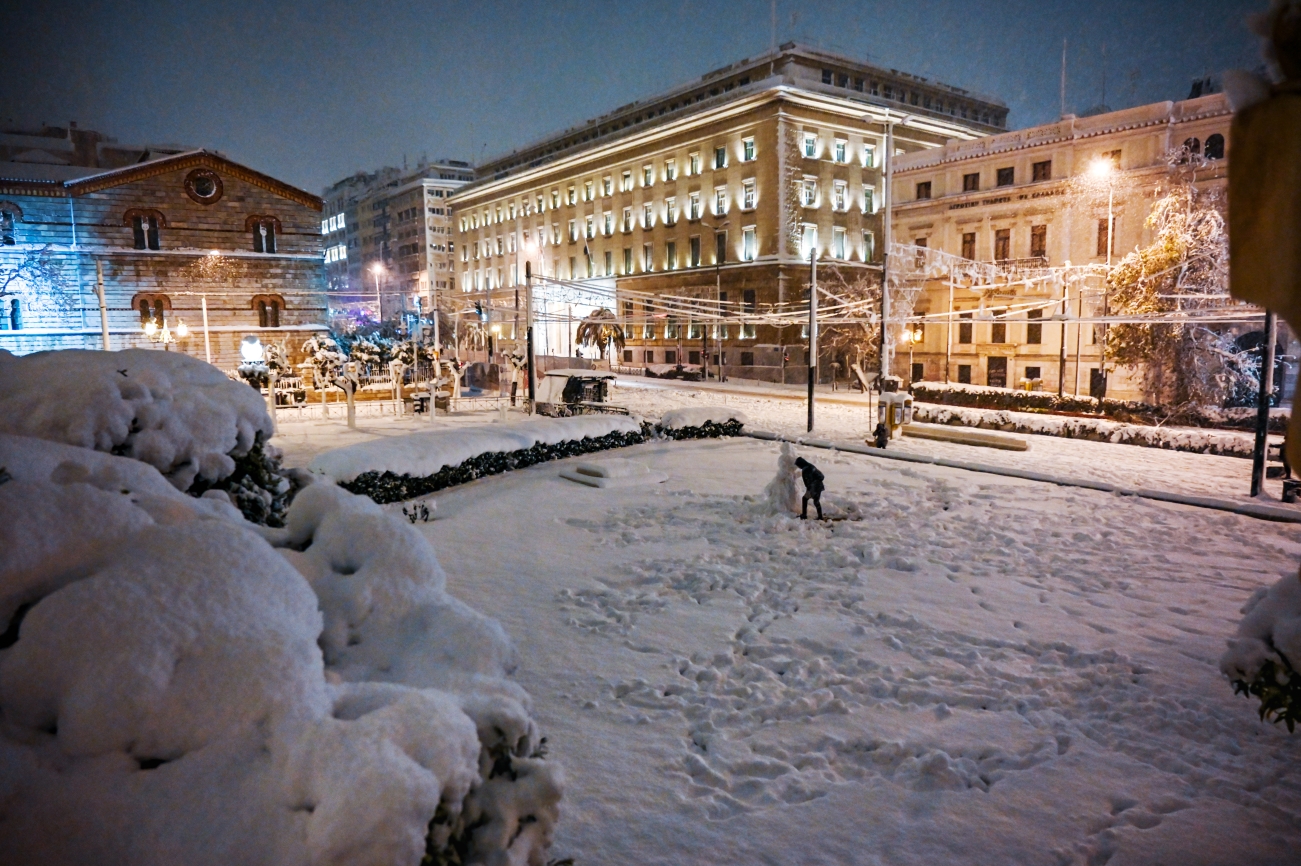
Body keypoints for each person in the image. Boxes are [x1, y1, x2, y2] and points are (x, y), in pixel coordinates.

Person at [793, 456, 824, 520]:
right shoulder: (810, 466)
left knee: (806, 499)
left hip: (814, 487)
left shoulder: (806, 469)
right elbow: (821, 476)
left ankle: (805, 515)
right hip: (818, 486)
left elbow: (808, 481)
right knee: (815, 501)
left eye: (798, 465)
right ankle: (820, 516)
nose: (798, 467)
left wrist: (810, 489)